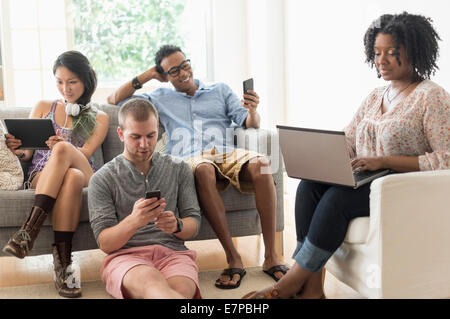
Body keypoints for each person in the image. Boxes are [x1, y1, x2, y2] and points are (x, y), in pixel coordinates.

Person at [243, 12, 450, 299]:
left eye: (392, 53)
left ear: (414, 51)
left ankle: (287, 285)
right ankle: (313, 288)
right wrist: (321, 153)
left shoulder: (432, 96)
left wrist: (386, 161)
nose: (382, 60)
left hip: (400, 187)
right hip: (366, 178)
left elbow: (447, 157)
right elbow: (349, 139)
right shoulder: (376, 95)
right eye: (377, 53)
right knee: (309, 186)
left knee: (337, 200)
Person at [107, 45, 288, 289]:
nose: (182, 73)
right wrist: (148, 75)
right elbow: (115, 99)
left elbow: (249, 122)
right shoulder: (159, 97)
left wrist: (253, 110)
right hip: (188, 157)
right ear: (165, 76)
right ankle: (233, 257)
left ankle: (271, 257)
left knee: (263, 164)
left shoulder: (219, 90)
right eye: (173, 71)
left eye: (185, 65)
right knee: (203, 169)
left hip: (226, 152)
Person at [2, 50, 109, 298]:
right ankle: (64, 265)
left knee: (66, 155)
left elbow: (85, 152)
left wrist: (63, 145)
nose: (65, 89)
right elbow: (28, 156)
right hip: (44, 173)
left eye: (72, 82)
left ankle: (28, 231)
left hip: (87, 173)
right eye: (60, 82)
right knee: (70, 177)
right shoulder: (42, 106)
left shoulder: (99, 117)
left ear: (86, 80)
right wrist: (17, 149)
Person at [87, 98, 202, 299]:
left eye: (151, 136)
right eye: (135, 137)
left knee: (182, 292)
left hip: (173, 253)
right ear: (121, 134)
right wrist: (134, 221)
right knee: (153, 287)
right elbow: (105, 243)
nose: (144, 144)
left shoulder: (178, 168)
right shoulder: (102, 179)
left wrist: (177, 225)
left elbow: (194, 222)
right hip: (126, 258)